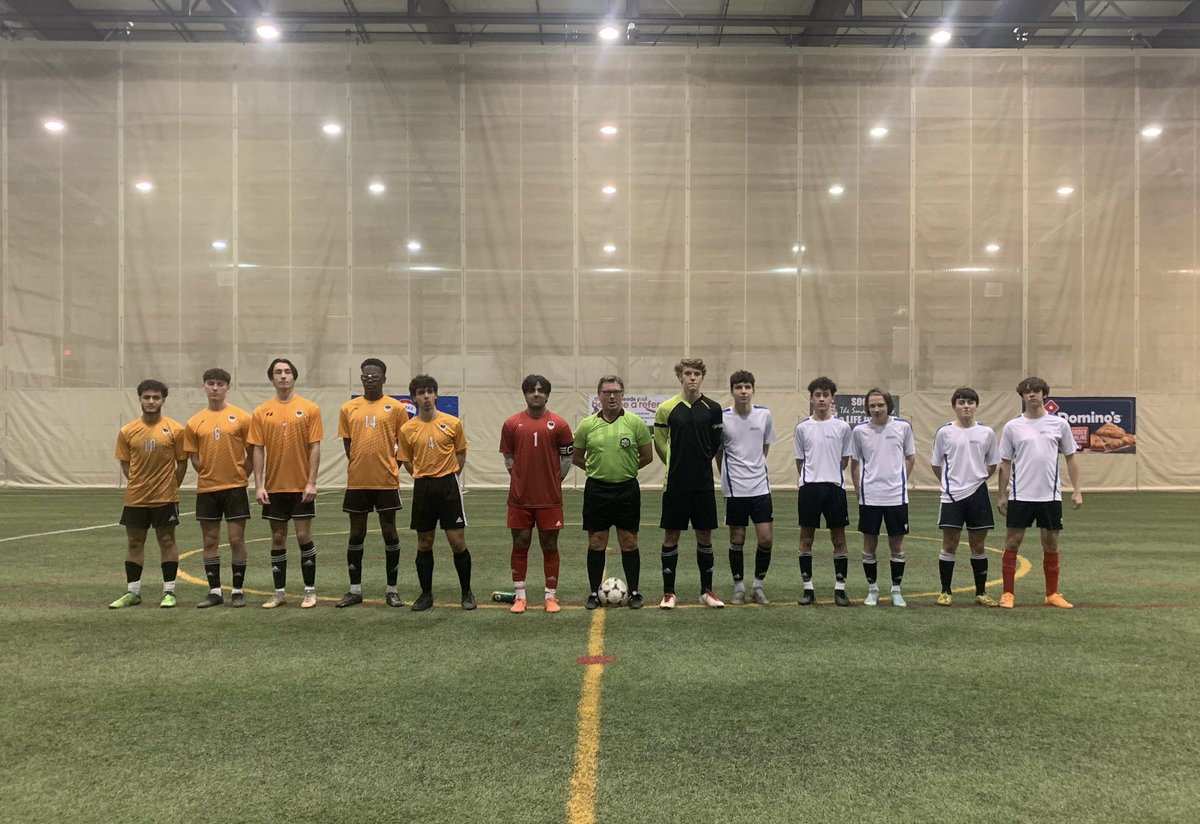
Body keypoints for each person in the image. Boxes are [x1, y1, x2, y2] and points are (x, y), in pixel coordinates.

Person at [996, 376, 1083, 609]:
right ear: (1022, 396)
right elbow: (1005, 463)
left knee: (1051, 543)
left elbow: (1071, 458)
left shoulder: (1059, 424)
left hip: (1050, 496)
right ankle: (1007, 593)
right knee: (1012, 542)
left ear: (1044, 394)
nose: (1032, 394)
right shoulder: (1012, 426)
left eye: (1036, 390)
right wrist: (1002, 494)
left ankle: (1052, 594)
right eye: (1027, 392)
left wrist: (1077, 491)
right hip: (1020, 495)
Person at [247, 358, 323, 609]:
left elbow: (314, 447)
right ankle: (279, 592)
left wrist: (311, 482)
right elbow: (258, 449)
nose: (283, 376)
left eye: (287, 372)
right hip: (274, 488)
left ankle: (310, 591)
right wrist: (259, 485)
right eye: (278, 372)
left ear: (294, 377)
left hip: (301, 488)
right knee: (278, 538)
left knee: (303, 536)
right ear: (272, 378)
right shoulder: (261, 412)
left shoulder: (309, 409)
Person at [573, 375, 654, 610]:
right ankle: (593, 592)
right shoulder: (587, 425)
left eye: (616, 392)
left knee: (629, 541)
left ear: (622, 395)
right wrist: (597, 470)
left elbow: (647, 456)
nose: (611, 396)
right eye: (607, 392)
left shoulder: (635, 422)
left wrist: (626, 470)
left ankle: (635, 592)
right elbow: (577, 457)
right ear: (599, 396)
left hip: (627, 490)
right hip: (597, 491)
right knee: (596, 541)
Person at [335, 358, 410, 609]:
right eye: (365, 376)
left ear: (384, 379)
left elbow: (403, 444)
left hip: (386, 482)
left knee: (389, 531)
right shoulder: (348, 408)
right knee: (357, 532)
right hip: (357, 482)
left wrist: (391, 467)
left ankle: (392, 590)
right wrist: (360, 464)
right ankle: (355, 590)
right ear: (361, 378)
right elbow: (348, 444)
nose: (370, 379)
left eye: (375, 376)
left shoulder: (396, 408)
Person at [396, 374, 474, 611]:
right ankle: (426, 594)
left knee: (457, 541)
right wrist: (422, 475)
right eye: (421, 393)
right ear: (414, 398)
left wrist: (450, 475)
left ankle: (466, 592)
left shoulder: (452, 423)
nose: (426, 397)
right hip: (423, 488)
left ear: (436, 395)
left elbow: (461, 453)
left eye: (430, 391)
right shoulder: (407, 429)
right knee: (424, 542)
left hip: (448, 486)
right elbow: (406, 460)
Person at [499, 374, 575, 615]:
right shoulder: (511, 424)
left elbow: (567, 458)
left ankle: (550, 596)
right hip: (520, 498)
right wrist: (521, 478)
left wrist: (553, 480)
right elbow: (508, 458)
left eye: (541, 390)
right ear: (525, 394)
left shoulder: (560, 425)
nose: (536, 394)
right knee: (520, 544)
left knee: (550, 545)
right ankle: (520, 597)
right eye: (532, 390)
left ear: (547, 395)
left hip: (549, 499)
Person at [654, 357, 726, 610]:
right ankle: (668, 593)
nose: (692, 377)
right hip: (676, 484)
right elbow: (660, 442)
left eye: (696, 373)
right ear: (680, 377)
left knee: (704, 535)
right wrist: (675, 462)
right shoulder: (666, 408)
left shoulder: (713, 408)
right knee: (671, 535)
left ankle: (706, 591)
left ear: (702, 377)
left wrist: (700, 461)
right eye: (687, 373)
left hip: (703, 484)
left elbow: (715, 442)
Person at [109, 379, 187, 609]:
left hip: (165, 498)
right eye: (147, 397)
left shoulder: (175, 429)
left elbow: (182, 463)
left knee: (167, 540)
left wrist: (171, 487)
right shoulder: (127, 431)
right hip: (136, 498)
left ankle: (169, 592)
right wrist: (138, 483)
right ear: (140, 399)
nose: (151, 401)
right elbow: (125, 464)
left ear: (163, 400)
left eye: (156, 397)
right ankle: (133, 592)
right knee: (134, 542)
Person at [184, 368, 253, 609]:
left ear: (227, 388)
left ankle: (237, 590)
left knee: (236, 539)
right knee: (210, 540)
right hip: (207, 490)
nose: (215, 388)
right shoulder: (194, 422)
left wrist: (241, 475)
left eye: (220, 384)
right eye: (211, 383)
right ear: (204, 386)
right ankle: (214, 591)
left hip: (235, 489)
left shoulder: (242, 417)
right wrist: (207, 473)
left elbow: (252, 452)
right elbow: (193, 456)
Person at [931, 387, 1000, 607]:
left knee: (978, 546)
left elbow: (993, 463)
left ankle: (981, 593)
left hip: (978, 494)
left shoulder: (986, 432)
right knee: (949, 544)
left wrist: (976, 479)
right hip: (952, 496)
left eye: (970, 402)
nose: (966, 406)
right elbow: (936, 464)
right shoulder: (944, 432)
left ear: (976, 406)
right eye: (961, 402)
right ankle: (945, 591)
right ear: (954, 406)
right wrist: (950, 484)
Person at [850, 388, 916, 607]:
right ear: (867, 408)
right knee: (869, 544)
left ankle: (896, 590)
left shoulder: (903, 427)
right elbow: (855, 463)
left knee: (896, 545)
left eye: (880, 405)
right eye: (872, 406)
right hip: (870, 497)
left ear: (888, 405)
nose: (876, 409)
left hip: (896, 497)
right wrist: (859, 491)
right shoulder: (859, 431)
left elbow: (910, 457)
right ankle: (873, 590)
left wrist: (900, 482)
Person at [716, 370, 775, 605]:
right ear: (731, 391)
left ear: (753, 390)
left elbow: (764, 447)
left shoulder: (764, 415)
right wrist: (728, 476)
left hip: (760, 487)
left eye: (747, 387)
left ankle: (758, 586)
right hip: (735, 489)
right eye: (739, 387)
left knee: (766, 538)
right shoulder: (722, 417)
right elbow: (719, 453)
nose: (743, 391)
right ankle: (739, 588)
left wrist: (755, 468)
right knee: (737, 538)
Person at [794, 376, 854, 606]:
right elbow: (800, 461)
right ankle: (808, 589)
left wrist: (829, 474)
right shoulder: (802, 428)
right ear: (811, 398)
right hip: (809, 488)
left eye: (825, 395)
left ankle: (840, 590)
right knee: (806, 538)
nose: (821, 399)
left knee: (838, 539)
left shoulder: (842, 427)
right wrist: (811, 478)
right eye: (817, 395)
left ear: (832, 399)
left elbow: (845, 460)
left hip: (834, 488)